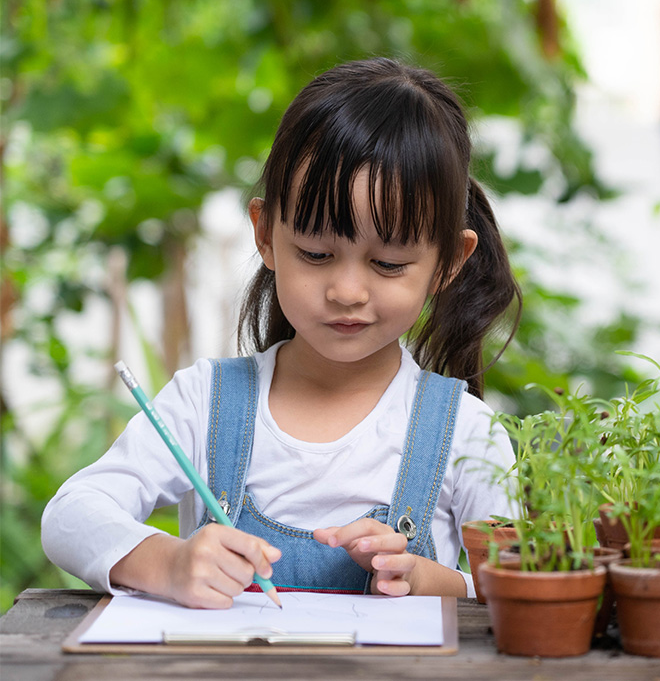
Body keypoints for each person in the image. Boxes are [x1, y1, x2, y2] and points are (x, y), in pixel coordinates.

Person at [41, 58, 522, 609]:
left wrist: (427, 579)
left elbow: (516, 579)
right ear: (266, 234)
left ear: (447, 263)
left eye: (388, 264)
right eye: (317, 254)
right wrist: (168, 563)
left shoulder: (466, 433)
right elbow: (71, 513)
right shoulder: (206, 404)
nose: (347, 291)